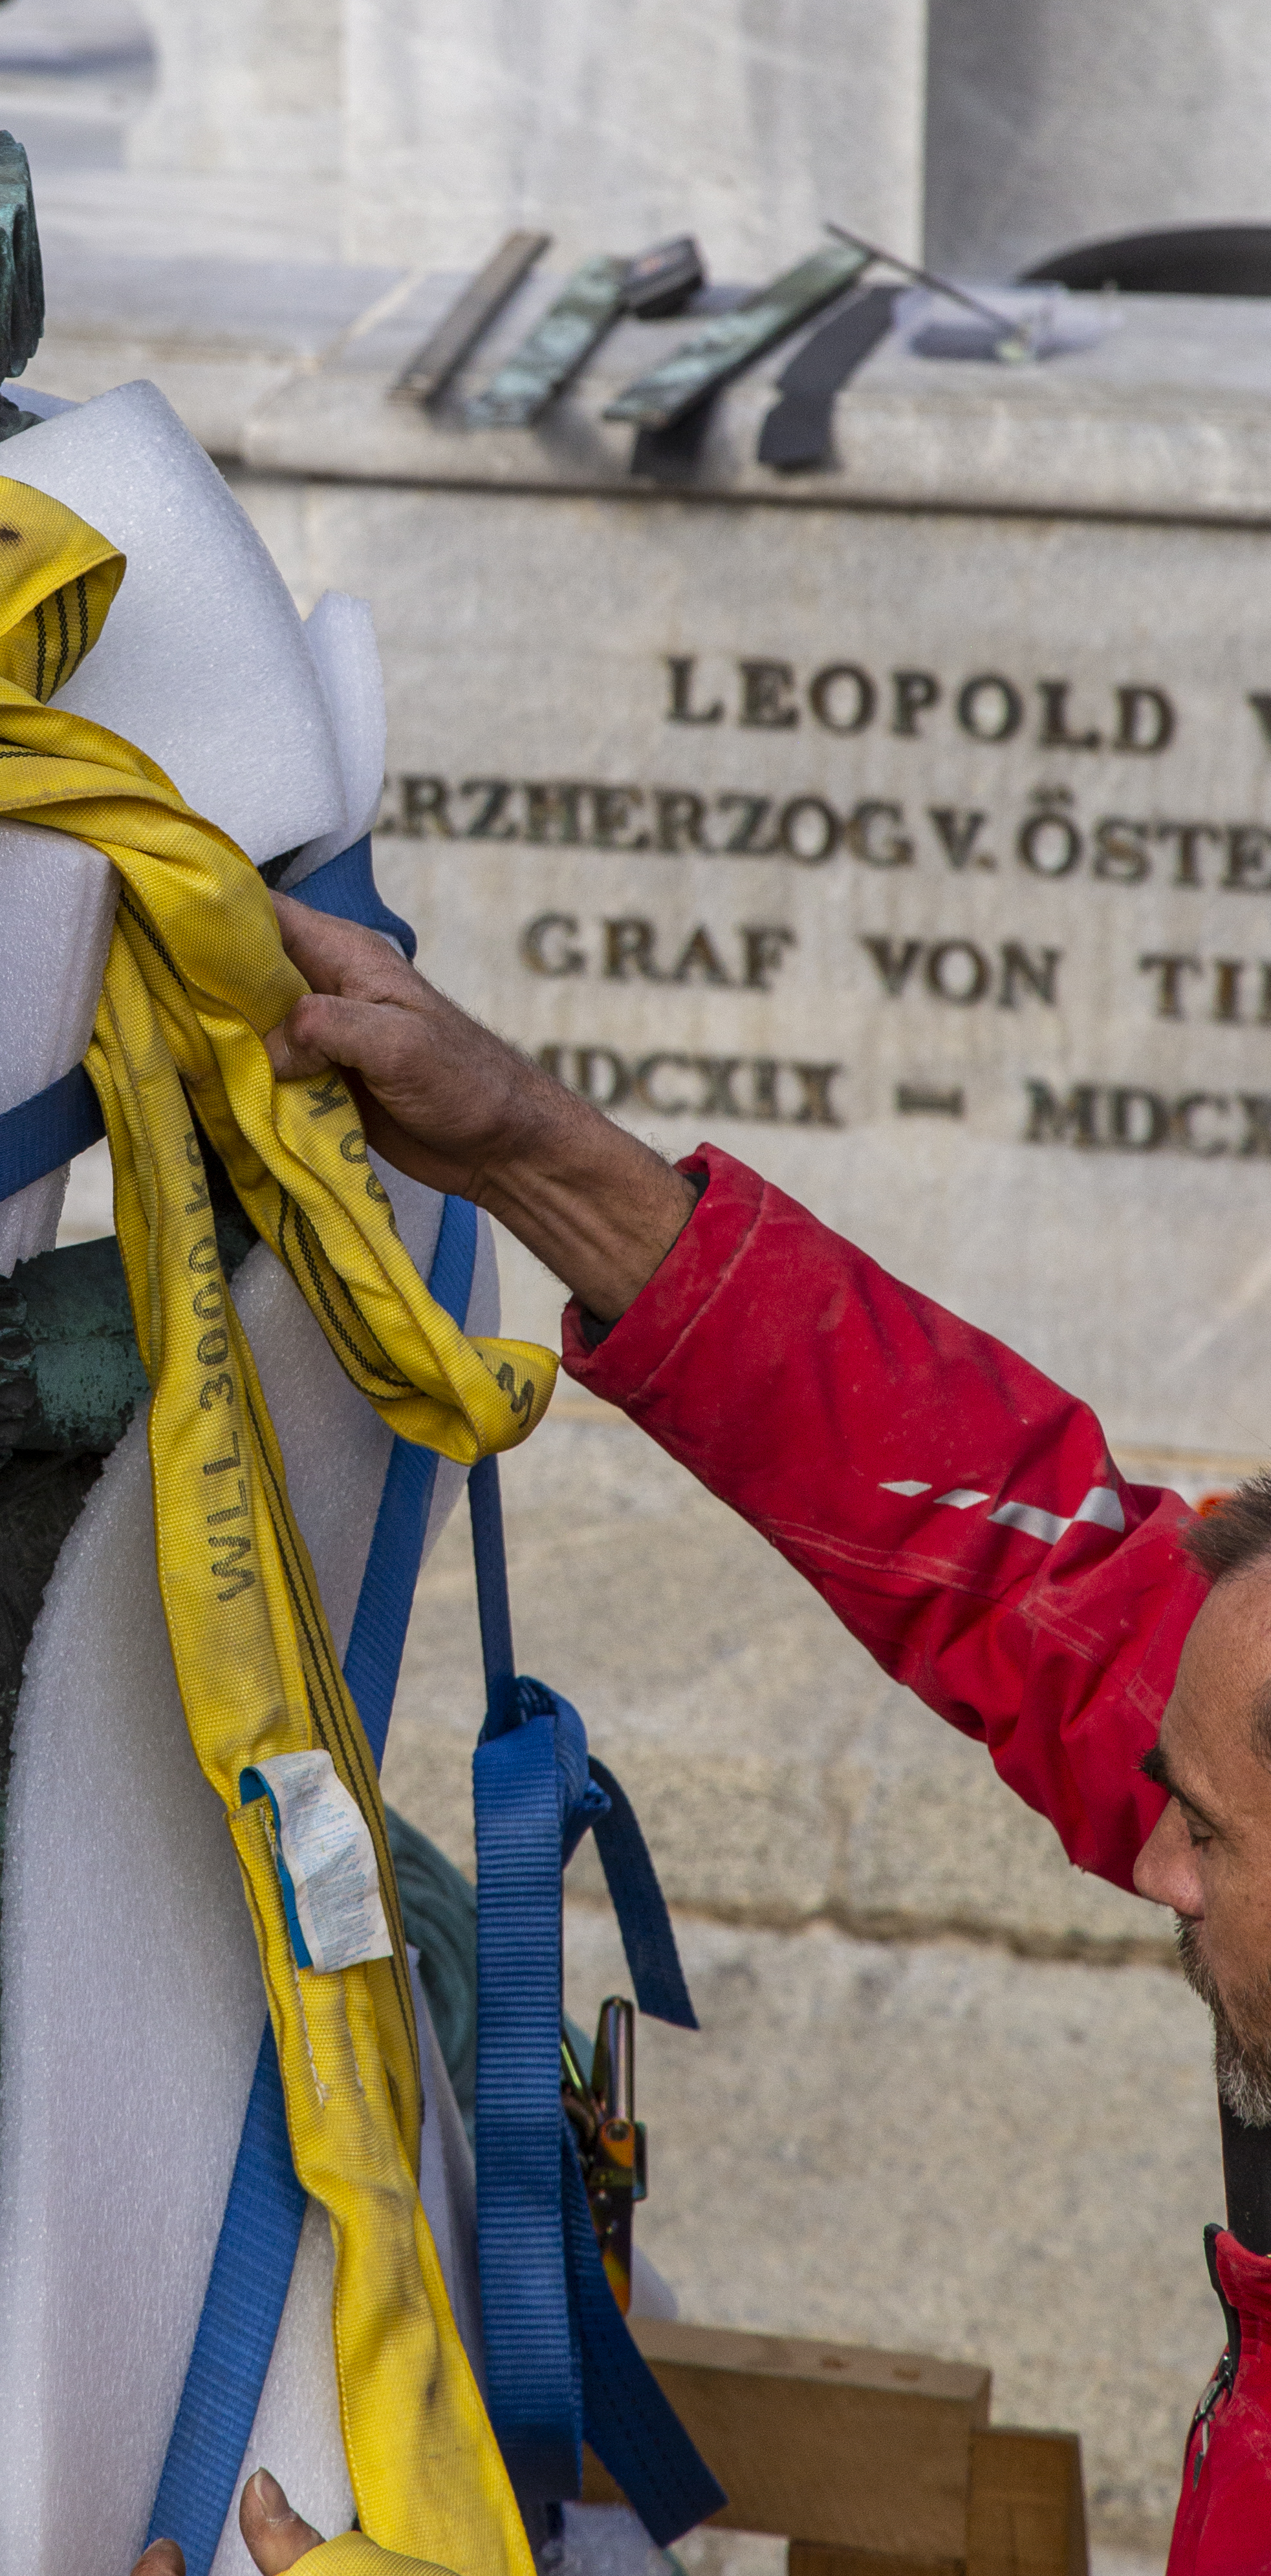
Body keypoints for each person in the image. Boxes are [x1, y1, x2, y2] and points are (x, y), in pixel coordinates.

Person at [248, 892, 1271, 2573]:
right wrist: (533, 1151)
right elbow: (1016, 1557)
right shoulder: (1242, 1694)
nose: (1146, 1852)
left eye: (1211, 1835)